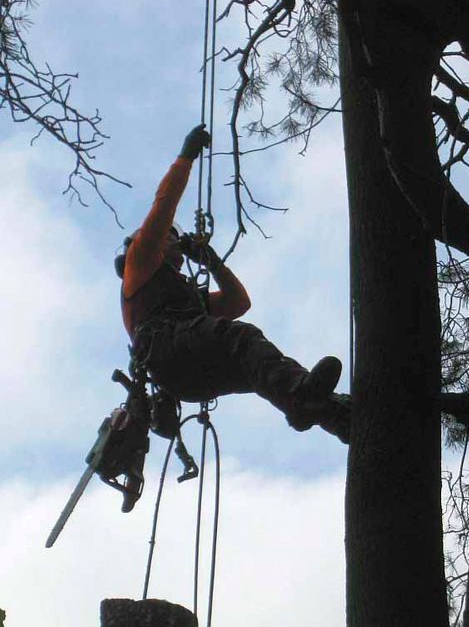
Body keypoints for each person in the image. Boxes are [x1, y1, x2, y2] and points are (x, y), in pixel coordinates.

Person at [116, 124, 349, 443]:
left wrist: (212, 261)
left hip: (187, 371)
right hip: (170, 350)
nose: (172, 241)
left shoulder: (186, 298)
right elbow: (163, 206)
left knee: (259, 365)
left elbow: (238, 303)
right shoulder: (140, 262)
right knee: (241, 338)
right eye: (169, 238)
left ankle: (332, 414)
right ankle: (300, 398)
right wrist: (185, 157)